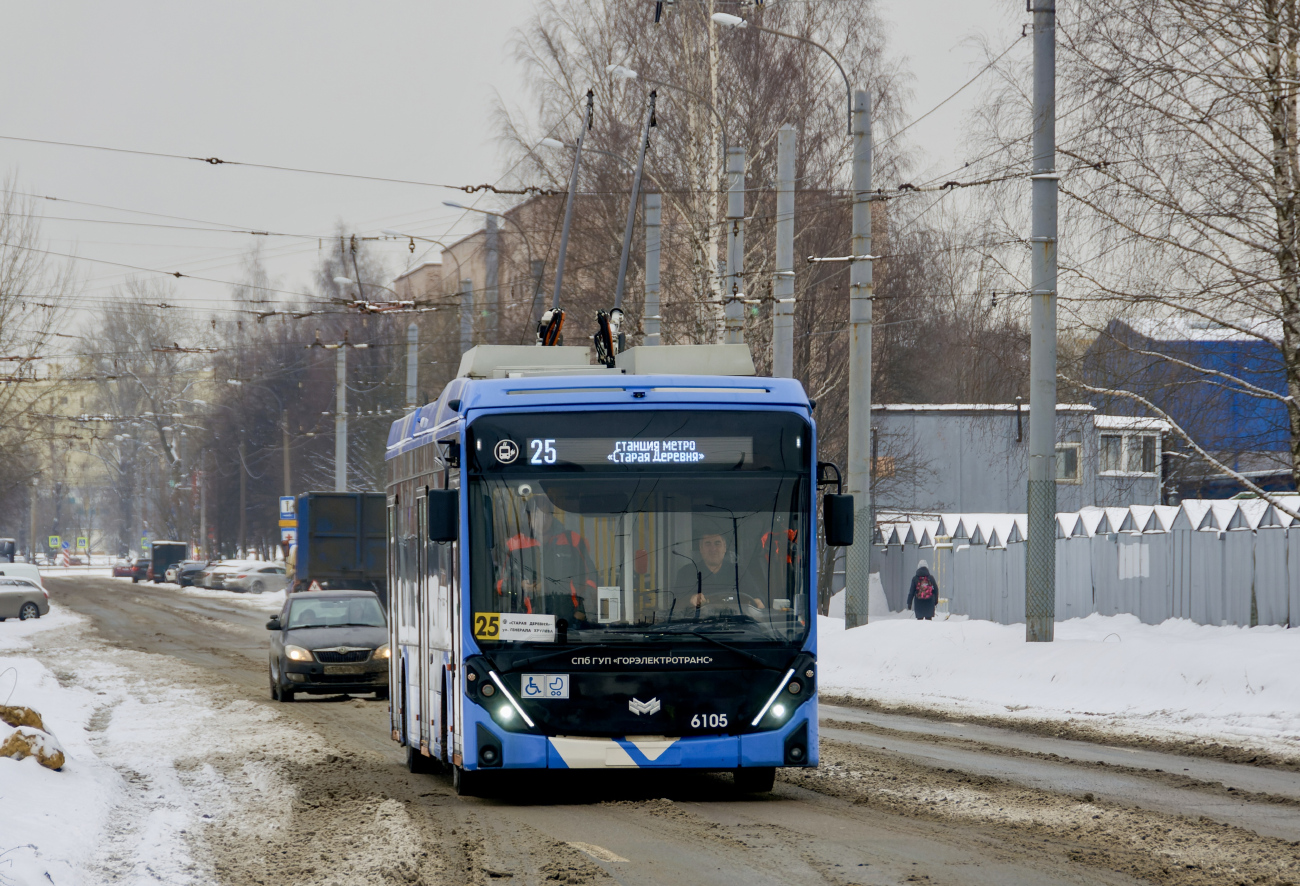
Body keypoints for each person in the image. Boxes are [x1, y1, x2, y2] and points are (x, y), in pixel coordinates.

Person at [497, 496, 594, 626]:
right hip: (527, 625)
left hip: (569, 623)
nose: (542, 520)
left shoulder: (572, 541)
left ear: (552, 516)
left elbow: (591, 579)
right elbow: (500, 585)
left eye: (546, 515)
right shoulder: (514, 544)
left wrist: (580, 612)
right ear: (529, 517)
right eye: (536, 515)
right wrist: (520, 587)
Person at [673, 521, 765, 615]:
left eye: (717, 543)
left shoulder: (739, 572)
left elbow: (757, 597)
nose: (713, 549)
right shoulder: (687, 572)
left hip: (735, 624)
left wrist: (757, 601)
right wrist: (690, 598)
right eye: (708, 544)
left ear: (724, 548)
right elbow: (676, 603)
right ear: (701, 548)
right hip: (698, 626)